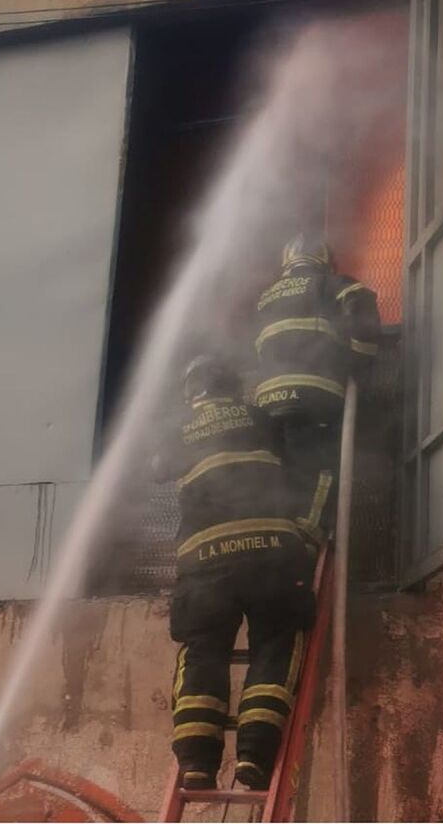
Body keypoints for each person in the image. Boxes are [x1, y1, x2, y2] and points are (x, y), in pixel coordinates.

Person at [161, 355, 317, 791]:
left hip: (204, 565)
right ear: (234, 387)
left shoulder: (179, 430)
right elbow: (297, 466)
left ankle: (196, 763)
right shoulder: (261, 416)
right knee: (275, 644)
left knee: (203, 655)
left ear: (192, 393)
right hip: (273, 556)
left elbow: (155, 468)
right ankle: (254, 756)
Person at [253, 238, 380, 543]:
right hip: (314, 391)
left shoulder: (265, 298)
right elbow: (362, 320)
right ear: (324, 260)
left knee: (281, 464)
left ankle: (273, 527)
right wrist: (357, 361)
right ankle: (307, 532)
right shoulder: (335, 284)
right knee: (322, 465)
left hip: (267, 399)